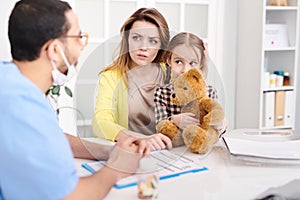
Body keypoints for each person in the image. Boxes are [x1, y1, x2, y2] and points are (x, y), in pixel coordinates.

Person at [0, 0, 149, 199]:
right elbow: (70, 196)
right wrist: (116, 168)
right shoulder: (20, 107)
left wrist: (110, 151)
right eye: (78, 37)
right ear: (53, 50)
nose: (82, 44)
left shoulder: (11, 82)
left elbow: (49, 139)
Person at [92, 8, 173, 151]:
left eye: (153, 41)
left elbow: (198, 101)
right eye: (136, 38)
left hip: (169, 150)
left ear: (161, 46)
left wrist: (218, 121)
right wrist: (142, 139)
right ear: (127, 40)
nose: (143, 47)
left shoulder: (171, 72)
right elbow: (101, 122)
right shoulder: (111, 76)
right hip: (133, 150)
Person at [154, 32, 227, 139]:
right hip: (173, 150)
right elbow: (158, 126)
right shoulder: (162, 93)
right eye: (178, 62)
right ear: (169, 61)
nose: (185, 70)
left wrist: (220, 125)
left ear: (200, 64)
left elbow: (216, 132)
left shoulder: (209, 92)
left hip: (200, 150)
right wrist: (174, 120)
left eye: (192, 63)